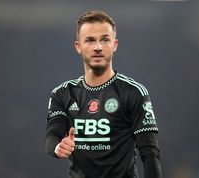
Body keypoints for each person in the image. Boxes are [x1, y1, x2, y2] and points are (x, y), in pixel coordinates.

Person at [45, 10, 162, 178]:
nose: (98, 47)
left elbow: (150, 153)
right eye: (90, 40)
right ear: (78, 47)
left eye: (105, 40)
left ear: (114, 44)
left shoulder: (134, 92)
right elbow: (52, 135)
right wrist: (58, 147)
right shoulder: (62, 93)